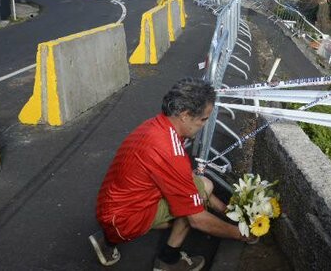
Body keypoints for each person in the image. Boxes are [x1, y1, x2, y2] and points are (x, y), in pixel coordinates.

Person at [89, 78, 255, 270]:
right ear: (185, 115)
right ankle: (167, 261)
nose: (204, 124)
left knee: (203, 186)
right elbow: (197, 219)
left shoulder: (155, 125)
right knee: (193, 205)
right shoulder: (170, 151)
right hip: (125, 220)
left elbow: (185, 178)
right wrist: (242, 234)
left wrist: (227, 210)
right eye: (203, 119)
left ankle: (108, 241)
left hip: (111, 205)